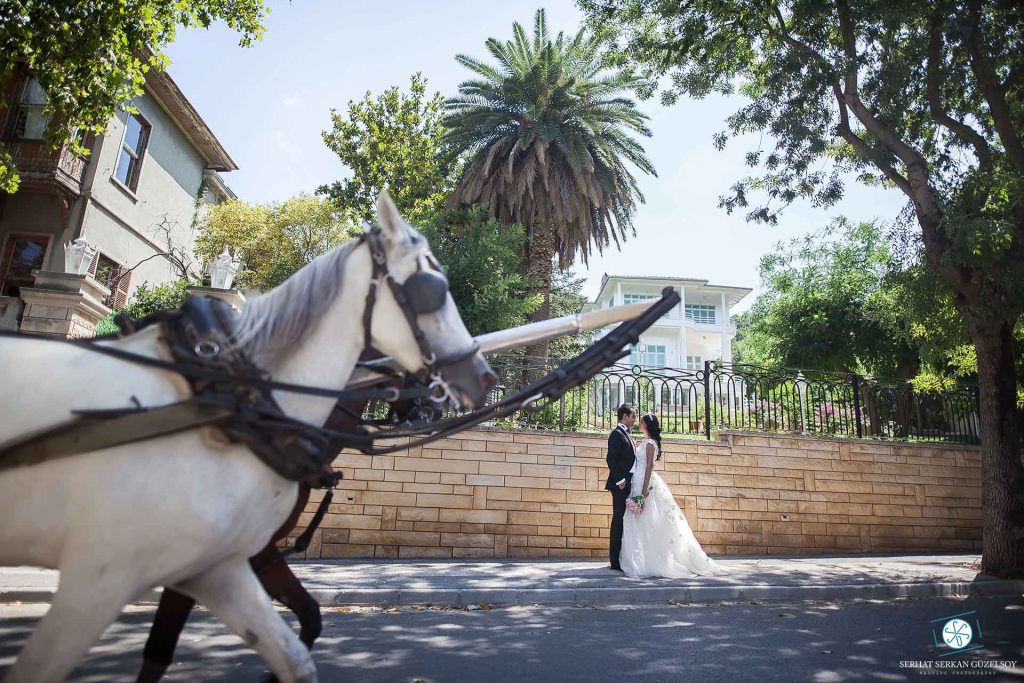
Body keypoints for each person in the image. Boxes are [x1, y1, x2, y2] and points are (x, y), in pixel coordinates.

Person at [620, 412, 724, 578]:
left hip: (643, 482)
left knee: (647, 519)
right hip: (637, 480)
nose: (639, 423)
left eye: (641, 421)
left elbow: (648, 467)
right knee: (640, 521)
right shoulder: (646, 441)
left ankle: (652, 560)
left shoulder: (650, 443)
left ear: (646, 424)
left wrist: (644, 489)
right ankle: (642, 558)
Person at [604, 403, 637, 571]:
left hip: (629, 483)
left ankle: (624, 556)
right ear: (625, 416)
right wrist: (620, 481)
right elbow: (611, 459)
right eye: (633, 416)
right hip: (620, 486)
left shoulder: (627, 434)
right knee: (618, 519)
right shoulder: (616, 434)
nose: (635, 419)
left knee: (626, 520)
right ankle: (614, 560)